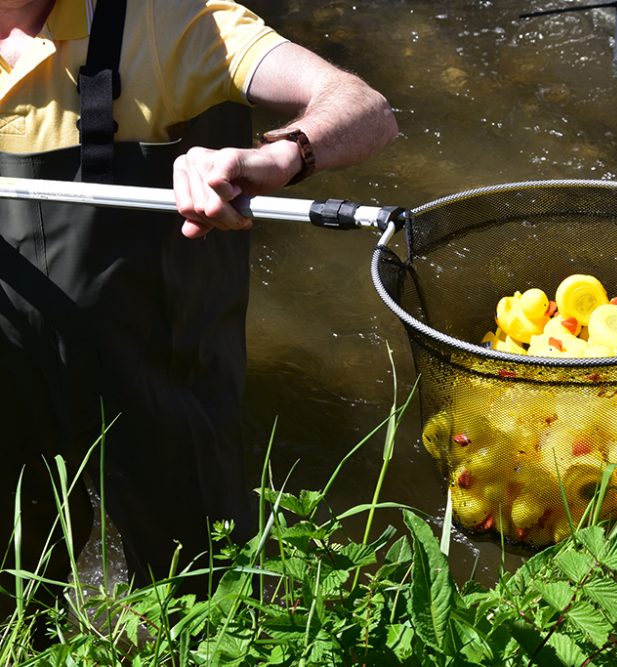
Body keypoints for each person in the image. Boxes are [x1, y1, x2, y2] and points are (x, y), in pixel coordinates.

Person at [0, 0, 398, 610]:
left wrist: (285, 153)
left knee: (201, 597)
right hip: (11, 380)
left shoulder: (171, 22)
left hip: (155, 374)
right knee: (14, 591)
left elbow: (365, 109)